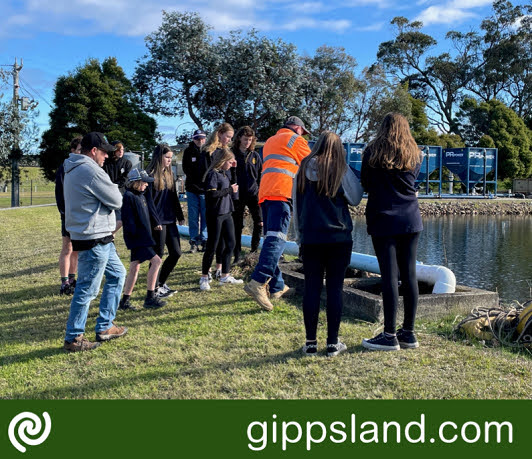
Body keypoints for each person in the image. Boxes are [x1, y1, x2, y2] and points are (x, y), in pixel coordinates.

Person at [293, 131, 362, 357]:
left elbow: (296, 204)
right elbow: (355, 198)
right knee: (335, 289)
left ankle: (310, 342)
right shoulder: (341, 168)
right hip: (339, 238)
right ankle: (333, 343)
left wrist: (298, 236)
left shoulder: (302, 168)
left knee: (311, 289)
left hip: (311, 237)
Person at [360, 113, 423, 351]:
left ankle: (388, 335)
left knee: (389, 276)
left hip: (383, 218)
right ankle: (408, 333)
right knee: (409, 275)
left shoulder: (372, 152)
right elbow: (413, 181)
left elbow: (365, 182)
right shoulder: (415, 153)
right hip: (410, 218)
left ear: (383, 127)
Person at [63, 132, 127, 352]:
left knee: (118, 274)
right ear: (93, 151)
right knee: (86, 289)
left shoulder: (72, 167)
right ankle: (73, 337)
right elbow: (117, 199)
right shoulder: (90, 170)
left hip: (96, 235)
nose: (106, 157)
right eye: (104, 152)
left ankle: (105, 326)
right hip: (94, 237)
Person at [244, 116, 311, 311]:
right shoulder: (296, 141)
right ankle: (258, 281)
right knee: (277, 239)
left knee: (272, 238)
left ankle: (277, 286)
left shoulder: (271, 141)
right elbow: (313, 164)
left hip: (265, 194)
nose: (303, 135)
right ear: (297, 128)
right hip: (282, 193)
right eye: (302, 132)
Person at [119, 168, 166, 310]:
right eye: (144, 182)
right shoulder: (129, 197)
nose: (147, 185)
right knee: (157, 261)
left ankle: (124, 301)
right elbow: (128, 220)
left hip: (144, 237)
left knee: (134, 267)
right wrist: (136, 237)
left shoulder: (141, 195)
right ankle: (150, 297)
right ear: (137, 182)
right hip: (138, 239)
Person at [199, 149, 243, 291]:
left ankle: (225, 275)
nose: (231, 164)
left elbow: (233, 187)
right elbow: (211, 195)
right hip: (215, 214)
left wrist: (234, 170)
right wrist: (229, 190)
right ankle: (204, 277)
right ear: (222, 161)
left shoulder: (226, 173)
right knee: (212, 246)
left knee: (230, 243)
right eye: (229, 162)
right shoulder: (213, 174)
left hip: (227, 212)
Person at [146, 144, 185, 298]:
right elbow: (148, 202)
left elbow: (173, 197)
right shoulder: (149, 175)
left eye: (171, 158)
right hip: (157, 221)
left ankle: (161, 283)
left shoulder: (169, 175)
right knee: (158, 256)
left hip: (170, 220)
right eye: (167, 157)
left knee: (176, 252)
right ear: (158, 157)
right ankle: (153, 288)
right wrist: (155, 221)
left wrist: (180, 215)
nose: (170, 160)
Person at [199, 123, 235, 280]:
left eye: (230, 138)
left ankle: (221, 271)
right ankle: (205, 275)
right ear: (219, 133)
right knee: (213, 243)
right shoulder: (209, 153)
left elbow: (228, 181)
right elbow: (210, 182)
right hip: (214, 206)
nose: (228, 140)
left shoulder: (226, 170)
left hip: (226, 207)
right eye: (227, 136)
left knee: (227, 242)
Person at [231, 126, 263, 263]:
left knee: (259, 222)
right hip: (238, 195)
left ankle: (253, 251)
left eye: (250, 140)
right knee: (237, 225)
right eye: (245, 139)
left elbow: (260, 174)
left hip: (254, 193)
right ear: (239, 138)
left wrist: (260, 189)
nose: (247, 142)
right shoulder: (232, 154)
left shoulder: (255, 156)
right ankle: (236, 253)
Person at [55, 136, 81, 295]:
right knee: (67, 247)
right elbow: (60, 193)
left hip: (80, 215)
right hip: (68, 214)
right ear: (72, 151)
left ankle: (72, 278)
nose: (81, 153)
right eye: (79, 150)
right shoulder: (65, 167)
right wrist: (64, 212)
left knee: (77, 248)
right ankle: (64, 282)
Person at [182, 129, 208, 253]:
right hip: (192, 189)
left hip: (205, 189)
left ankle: (204, 240)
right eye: (197, 138)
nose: (200, 140)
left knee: (205, 216)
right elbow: (186, 169)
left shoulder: (208, 151)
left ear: (205, 138)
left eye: (202, 138)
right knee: (193, 217)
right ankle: (193, 240)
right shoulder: (188, 151)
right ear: (193, 139)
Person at [103, 140, 132, 233]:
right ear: (113, 150)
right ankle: (110, 240)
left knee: (121, 219)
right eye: (119, 150)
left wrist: (115, 186)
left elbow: (125, 179)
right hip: (106, 193)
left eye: (122, 150)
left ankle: (108, 235)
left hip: (120, 194)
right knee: (109, 220)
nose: (121, 152)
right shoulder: (105, 163)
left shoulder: (127, 163)